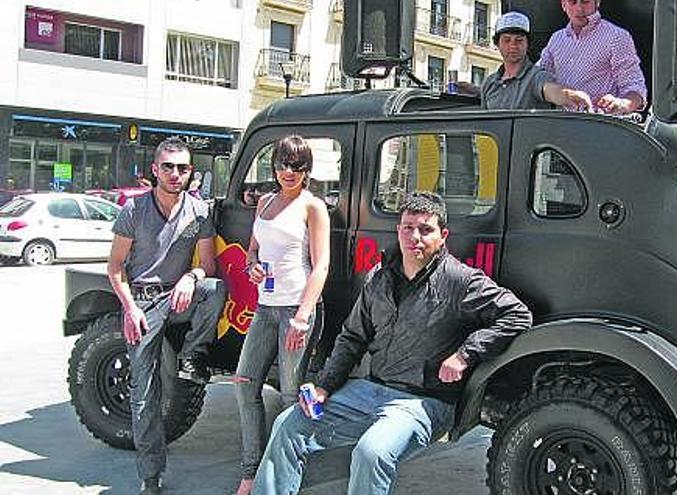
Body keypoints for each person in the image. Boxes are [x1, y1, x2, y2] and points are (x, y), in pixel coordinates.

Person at [251, 191, 532, 495]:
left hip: (423, 401)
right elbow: (352, 338)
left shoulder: (461, 281)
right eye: (408, 227)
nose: (415, 237)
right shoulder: (379, 277)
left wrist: (465, 354)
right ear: (398, 230)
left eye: (426, 229)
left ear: (443, 235)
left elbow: (518, 315)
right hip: (370, 390)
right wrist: (324, 388)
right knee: (288, 424)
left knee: (372, 452)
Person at [107, 137, 227, 495]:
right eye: (169, 167)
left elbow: (208, 266)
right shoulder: (133, 210)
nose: (176, 174)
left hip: (177, 297)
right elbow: (115, 268)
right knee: (144, 394)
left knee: (215, 288)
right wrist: (129, 308)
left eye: (183, 168)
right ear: (155, 170)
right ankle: (151, 474)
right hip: (142, 303)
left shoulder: (198, 212)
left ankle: (192, 357)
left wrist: (191, 278)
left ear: (191, 172)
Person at [233, 135, 331, 495]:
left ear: (307, 171)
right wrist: (253, 266)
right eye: (283, 164)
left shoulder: (312, 206)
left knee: (291, 394)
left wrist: (303, 315)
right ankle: (251, 469)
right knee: (244, 383)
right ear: (273, 166)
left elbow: (321, 265)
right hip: (266, 305)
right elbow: (252, 250)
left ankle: (288, 472)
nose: (289, 172)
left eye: (298, 166)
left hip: (297, 307)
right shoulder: (265, 202)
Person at [539, 0, 648, 114]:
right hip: (558, 124)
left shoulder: (616, 37)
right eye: (572, 2)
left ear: (597, 2)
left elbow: (635, 87)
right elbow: (539, 78)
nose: (579, 9)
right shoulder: (556, 39)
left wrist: (621, 104)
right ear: (563, 5)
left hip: (599, 125)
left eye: (585, 1)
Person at [482, 11, 592, 111]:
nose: (513, 46)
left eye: (519, 40)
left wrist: (569, 95)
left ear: (527, 44)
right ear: (497, 44)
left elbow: (551, 90)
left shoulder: (537, 76)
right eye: (507, 40)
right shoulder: (489, 84)